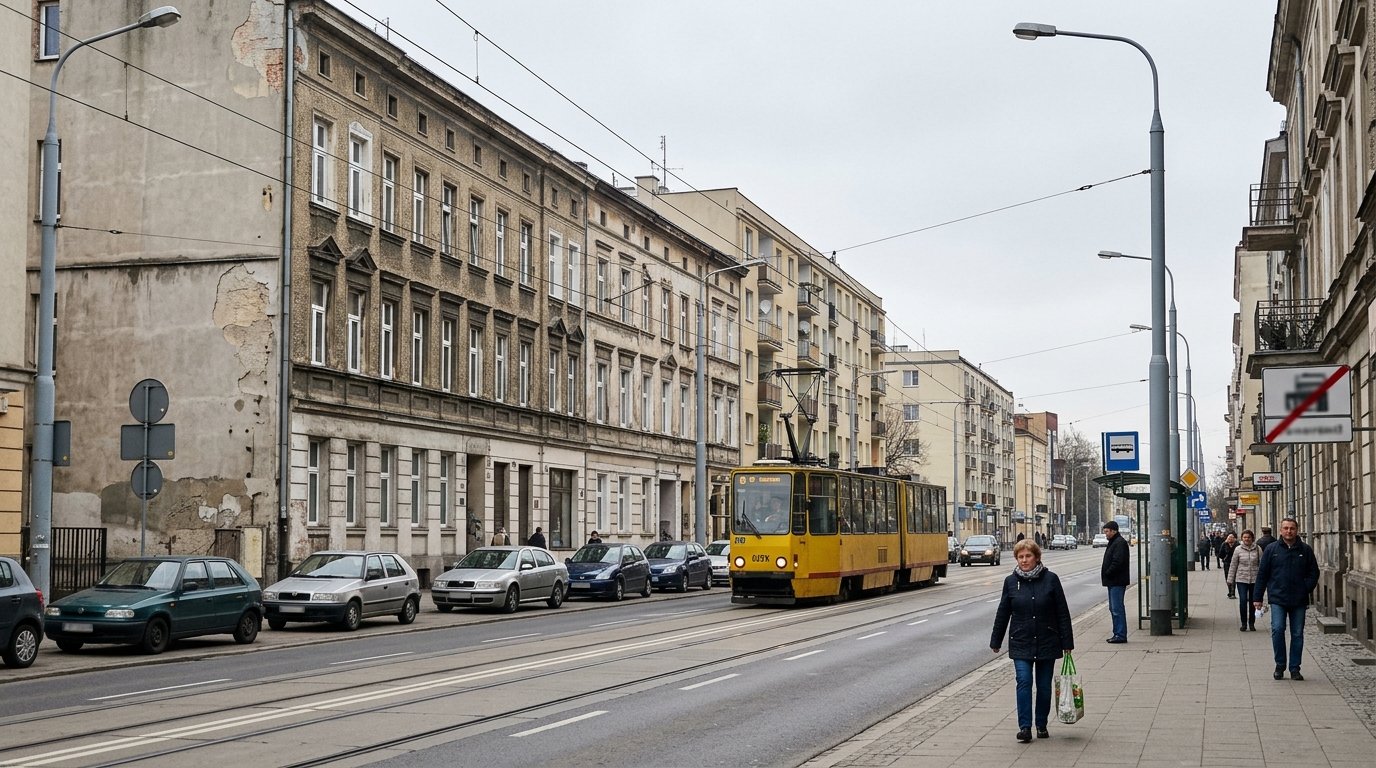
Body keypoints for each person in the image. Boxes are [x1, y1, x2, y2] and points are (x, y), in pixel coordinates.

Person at [990, 540, 1075, 744]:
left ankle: (1041, 723)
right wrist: (996, 639)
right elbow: (1003, 612)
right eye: (1020, 557)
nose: (1024, 560)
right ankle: (1025, 727)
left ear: (1037, 557)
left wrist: (1067, 642)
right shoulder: (1011, 582)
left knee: (1044, 686)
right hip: (1021, 640)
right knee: (1024, 681)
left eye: (1028, 556)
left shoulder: (1051, 580)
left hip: (1047, 639)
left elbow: (1062, 612)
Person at [1254, 517, 1319, 680]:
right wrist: (1258, 597)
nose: (1289, 531)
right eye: (1285, 528)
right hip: (1278, 597)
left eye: (1292, 528)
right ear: (1280, 530)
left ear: (1296, 530)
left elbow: (1314, 573)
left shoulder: (1305, 549)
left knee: (1297, 633)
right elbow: (1262, 574)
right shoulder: (1271, 549)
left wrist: (1305, 588)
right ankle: (1280, 665)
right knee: (1277, 629)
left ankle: (1295, 667)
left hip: (1299, 599)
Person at [1101, 520, 1130, 643]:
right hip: (1113, 581)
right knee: (1113, 608)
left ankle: (1120, 634)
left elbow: (1118, 562)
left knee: (1117, 608)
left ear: (1114, 531)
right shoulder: (1115, 542)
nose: (1106, 534)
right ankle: (1117, 633)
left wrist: (1108, 572)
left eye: (1107, 531)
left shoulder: (1119, 543)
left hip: (1117, 581)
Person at [1227, 529, 1262, 631]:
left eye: (1249, 537)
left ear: (1252, 538)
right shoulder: (1238, 549)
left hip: (1254, 579)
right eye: (1245, 537)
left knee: (1253, 601)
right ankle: (1243, 623)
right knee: (1243, 600)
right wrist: (1230, 579)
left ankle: (1251, 623)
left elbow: (1262, 564)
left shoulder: (1258, 549)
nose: (1247, 539)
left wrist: (1263, 579)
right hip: (1241, 578)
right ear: (1242, 538)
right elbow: (1233, 564)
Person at [1218, 532, 1239, 598]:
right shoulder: (1224, 544)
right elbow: (1220, 554)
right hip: (1227, 563)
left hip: (1236, 563)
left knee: (1234, 577)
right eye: (1229, 538)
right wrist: (1224, 558)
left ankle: (1233, 593)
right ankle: (1230, 591)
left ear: (1234, 538)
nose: (1230, 539)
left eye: (1232, 538)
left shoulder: (1237, 545)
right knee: (1228, 577)